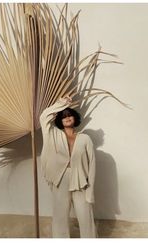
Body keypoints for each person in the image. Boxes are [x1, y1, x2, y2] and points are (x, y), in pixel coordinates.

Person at [39, 95, 97, 238]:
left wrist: (90, 189)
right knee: (60, 216)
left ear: (74, 118)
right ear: (59, 119)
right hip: (61, 178)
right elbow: (44, 117)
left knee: (85, 216)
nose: (67, 117)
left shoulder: (85, 138)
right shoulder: (52, 134)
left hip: (80, 179)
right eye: (63, 115)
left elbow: (92, 164)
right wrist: (61, 103)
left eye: (69, 114)